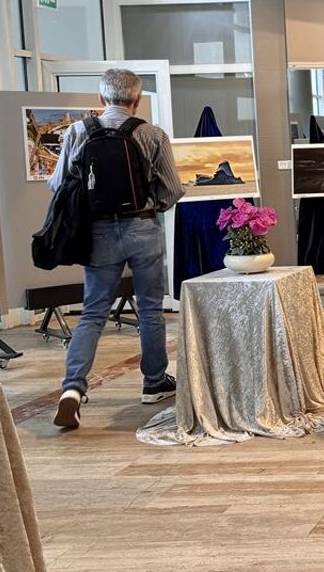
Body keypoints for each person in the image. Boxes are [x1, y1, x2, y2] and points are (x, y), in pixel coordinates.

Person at [48, 69, 185, 429]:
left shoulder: (77, 132)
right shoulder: (153, 134)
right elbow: (173, 190)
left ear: (101, 99)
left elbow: (58, 183)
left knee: (93, 313)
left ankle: (72, 388)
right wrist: (150, 205)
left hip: (98, 234)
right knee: (151, 310)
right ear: (136, 100)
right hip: (142, 229)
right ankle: (154, 382)